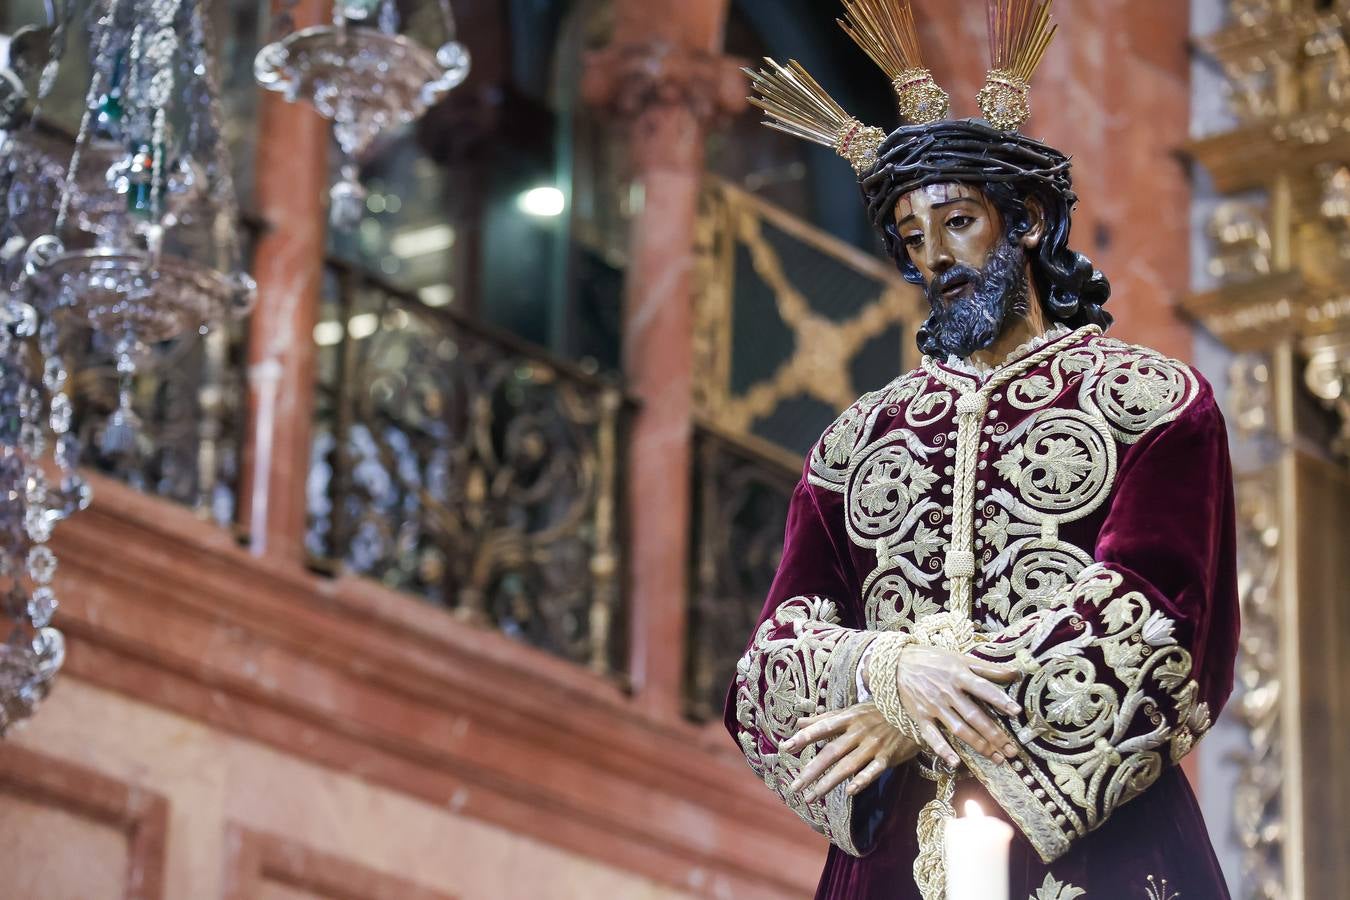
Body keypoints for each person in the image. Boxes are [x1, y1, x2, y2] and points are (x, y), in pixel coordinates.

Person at [726, 2, 1238, 898]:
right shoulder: (853, 445)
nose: (937, 260)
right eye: (914, 240)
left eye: (958, 222)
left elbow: (1163, 621)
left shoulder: (1150, 405)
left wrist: (927, 712)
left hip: (1094, 852)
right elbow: (768, 665)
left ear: (1029, 219)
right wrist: (889, 674)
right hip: (893, 863)